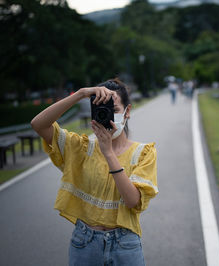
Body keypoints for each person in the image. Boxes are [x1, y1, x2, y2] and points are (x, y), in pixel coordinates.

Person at [31, 78, 158, 266]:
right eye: (100, 110)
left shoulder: (144, 153)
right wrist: (81, 94)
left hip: (125, 244)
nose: (107, 116)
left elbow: (132, 201)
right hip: (85, 242)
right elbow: (38, 124)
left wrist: (108, 152)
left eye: (113, 111)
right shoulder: (81, 147)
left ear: (127, 112)